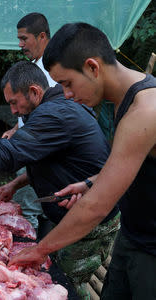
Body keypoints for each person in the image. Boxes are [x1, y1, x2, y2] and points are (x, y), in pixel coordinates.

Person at [0, 61, 120, 297]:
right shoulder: (55, 107)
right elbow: (51, 161)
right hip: (78, 215)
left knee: (66, 286)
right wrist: (15, 183)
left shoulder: (54, 114)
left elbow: (4, 156)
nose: (13, 111)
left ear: (34, 92)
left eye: (14, 102)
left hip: (91, 223)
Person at [9, 23, 156, 300]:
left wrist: (40, 250)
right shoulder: (121, 100)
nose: (66, 94)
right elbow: (131, 165)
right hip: (133, 235)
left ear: (92, 67)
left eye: (67, 83)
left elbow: (97, 207)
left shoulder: (145, 110)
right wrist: (90, 182)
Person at [2, 12, 57, 139]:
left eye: (24, 39)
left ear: (42, 37)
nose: (20, 44)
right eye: (19, 40)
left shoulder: (55, 68)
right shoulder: (33, 65)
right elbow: (29, 108)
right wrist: (15, 129)